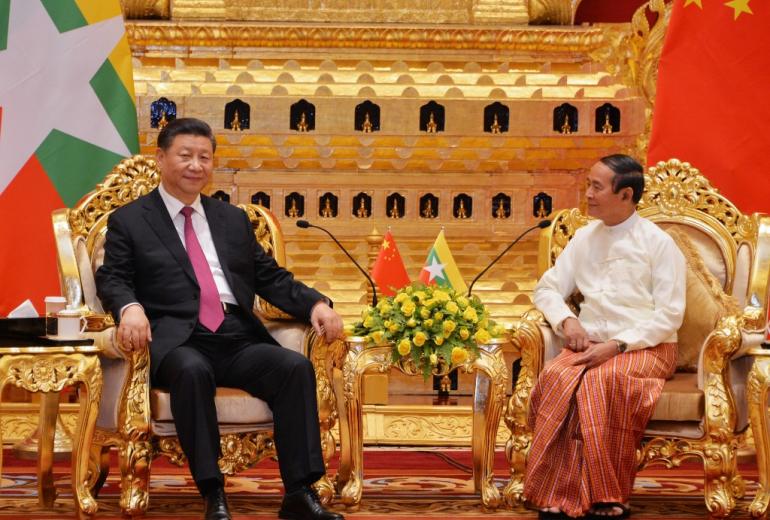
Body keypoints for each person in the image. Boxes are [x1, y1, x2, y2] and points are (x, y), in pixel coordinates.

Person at [95, 118, 344, 520]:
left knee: (293, 368)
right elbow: (114, 278)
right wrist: (131, 308)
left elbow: (270, 277)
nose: (196, 165)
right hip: (178, 339)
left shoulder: (231, 219)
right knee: (192, 371)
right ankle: (213, 493)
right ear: (160, 158)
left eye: (204, 157)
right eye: (185, 156)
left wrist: (316, 305)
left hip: (235, 334)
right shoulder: (131, 220)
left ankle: (299, 491)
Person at [523, 154, 686, 520]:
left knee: (603, 380)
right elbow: (547, 289)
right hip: (591, 341)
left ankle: (608, 496)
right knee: (556, 377)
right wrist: (569, 322)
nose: (589, 194)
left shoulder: (658, 244)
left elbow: (670, 314)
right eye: (589, 185)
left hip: (649, 345)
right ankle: (556, 491)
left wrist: (618, 345)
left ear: (625, 194)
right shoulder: (584, 238)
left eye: (597, 187)